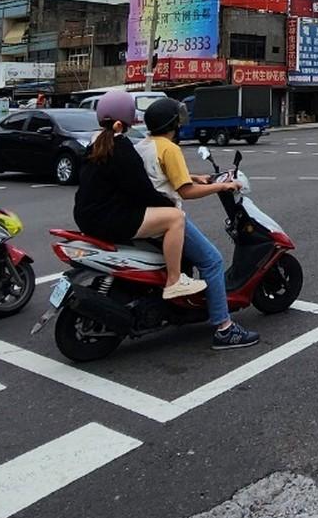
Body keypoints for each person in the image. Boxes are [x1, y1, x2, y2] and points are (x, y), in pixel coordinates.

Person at [136, 97, 262, 351]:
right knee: (212, 261)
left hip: (146, 214)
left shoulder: (143, 145)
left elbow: (159, 176)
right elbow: (186, 191)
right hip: (166, 216)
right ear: (173, 124)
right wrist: (223, 185)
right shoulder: (169, 149)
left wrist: (195, 176)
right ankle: (224, 328)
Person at [72, 91, 205, 300]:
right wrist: (167, 204)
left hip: (86, 216)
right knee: (175, 218)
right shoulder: (122, 148)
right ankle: (174, 280)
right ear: (127, 119)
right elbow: (141, 190)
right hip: (109, 218)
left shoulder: (94, 145)